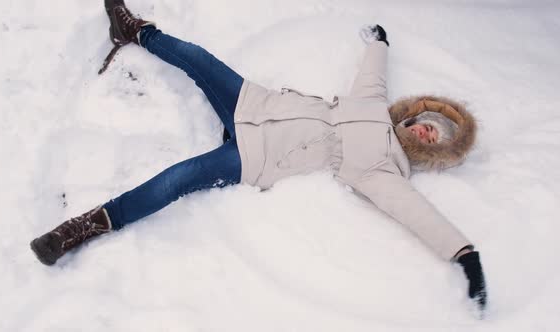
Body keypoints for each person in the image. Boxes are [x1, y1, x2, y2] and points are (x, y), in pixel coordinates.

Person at [31, 0, 487, 313]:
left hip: (255, 157)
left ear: (431, 151)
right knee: (198, 58)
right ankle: (133, 31)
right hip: (257, 104)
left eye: (434, 138)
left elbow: (417, 213)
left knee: (177, 179)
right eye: (429, 122)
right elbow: (373, 72)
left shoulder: (387, 170)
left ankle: (85, 226)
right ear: (417, 114)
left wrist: (463, 253)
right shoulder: (374, 105)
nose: (427, 131)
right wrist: (379, 43)